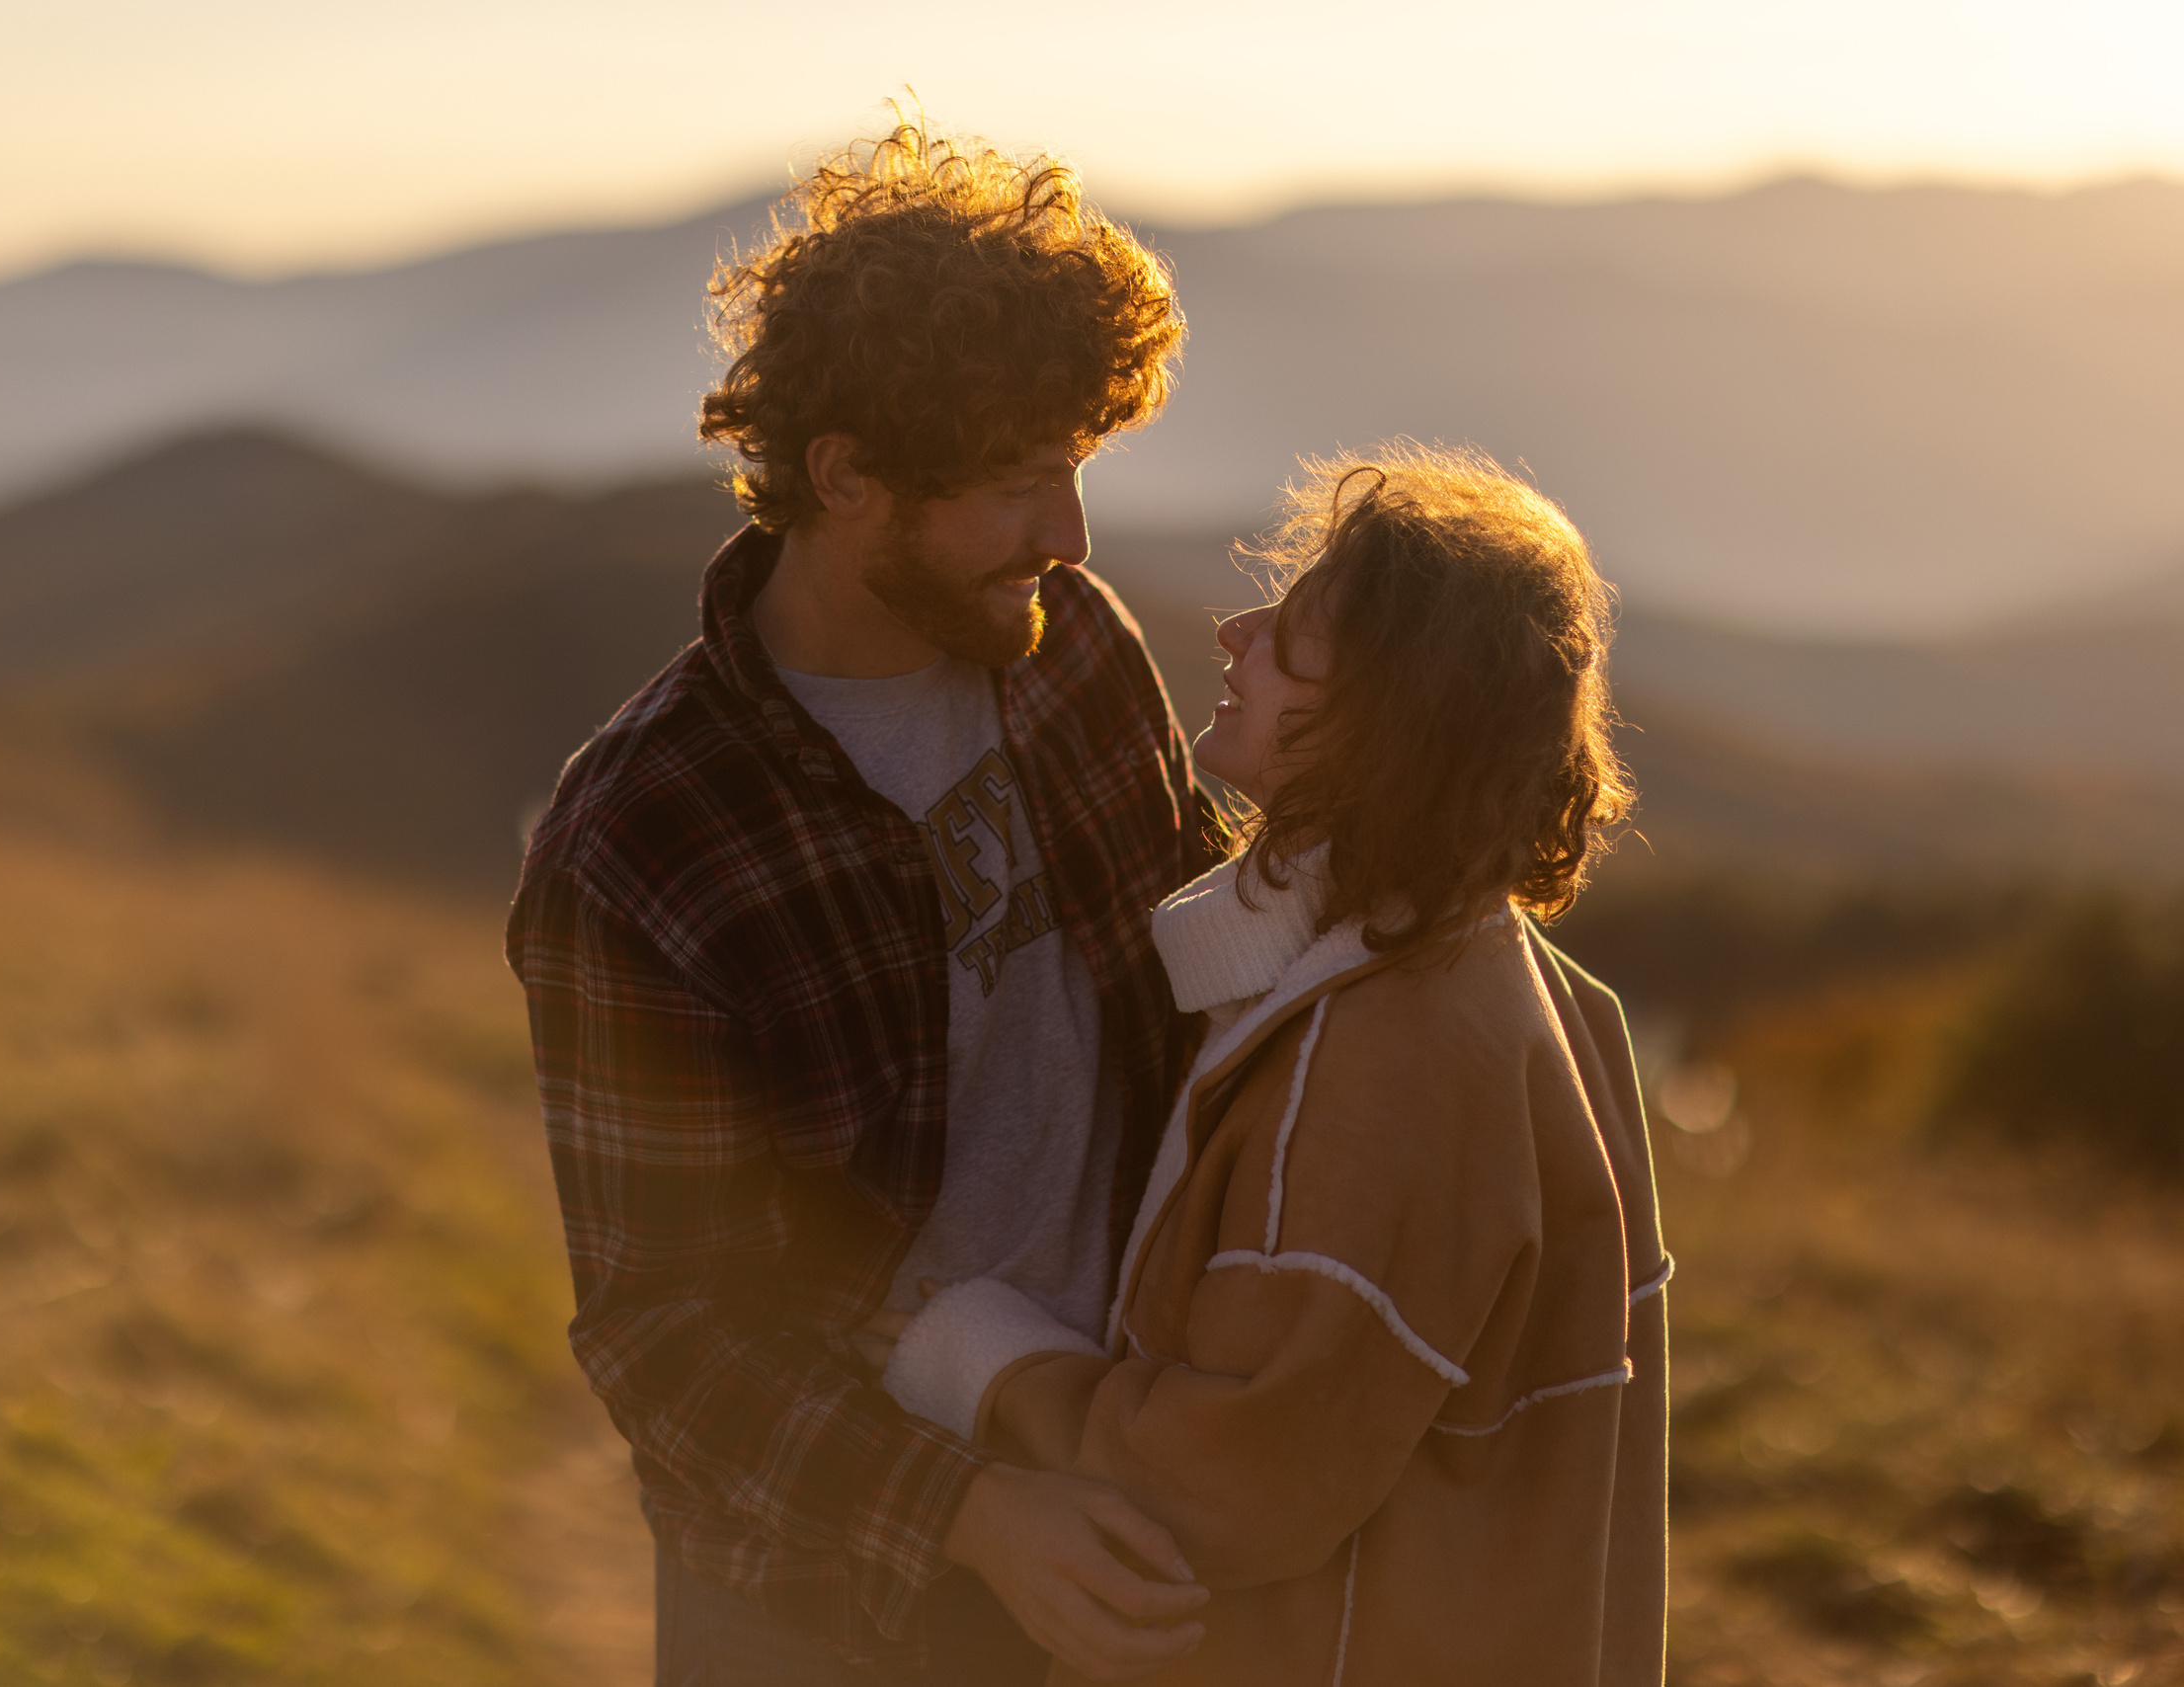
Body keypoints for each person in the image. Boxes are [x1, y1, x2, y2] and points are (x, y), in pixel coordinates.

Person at [505, 115, 1226, 1684]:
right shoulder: (644, 843)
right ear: (845, 477)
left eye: (1075, 472)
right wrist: (971, 1513)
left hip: (1128, 1469)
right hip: (829, 1592)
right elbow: (667, 1334)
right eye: (1021, 484)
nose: (1069, 536)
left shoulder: (1076, 654)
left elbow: (1204, 992)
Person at [877, 443, 1672, 1685]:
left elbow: (1223, 1483)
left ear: (1387, 715)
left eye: (1293, 638)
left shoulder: (1378, 1058)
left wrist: (977, 1353)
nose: (1235, 633)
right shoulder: (1517, 979)